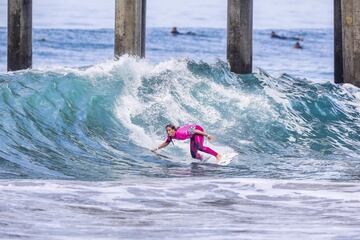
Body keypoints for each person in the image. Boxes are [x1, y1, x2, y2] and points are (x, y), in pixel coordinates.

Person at [152, 124, 222, 162]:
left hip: (197, 130)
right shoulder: (170, 136)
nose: (168, 132)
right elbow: (166, 143)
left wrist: (207, 135)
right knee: (194, 155)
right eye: (167, 131)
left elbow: (195, 131)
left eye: (169, 130)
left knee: (199, 147)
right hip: (192, 135)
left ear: (174, 130)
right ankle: (203, 159)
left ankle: (217, 155)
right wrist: (156, 148)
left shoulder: (181, 133)